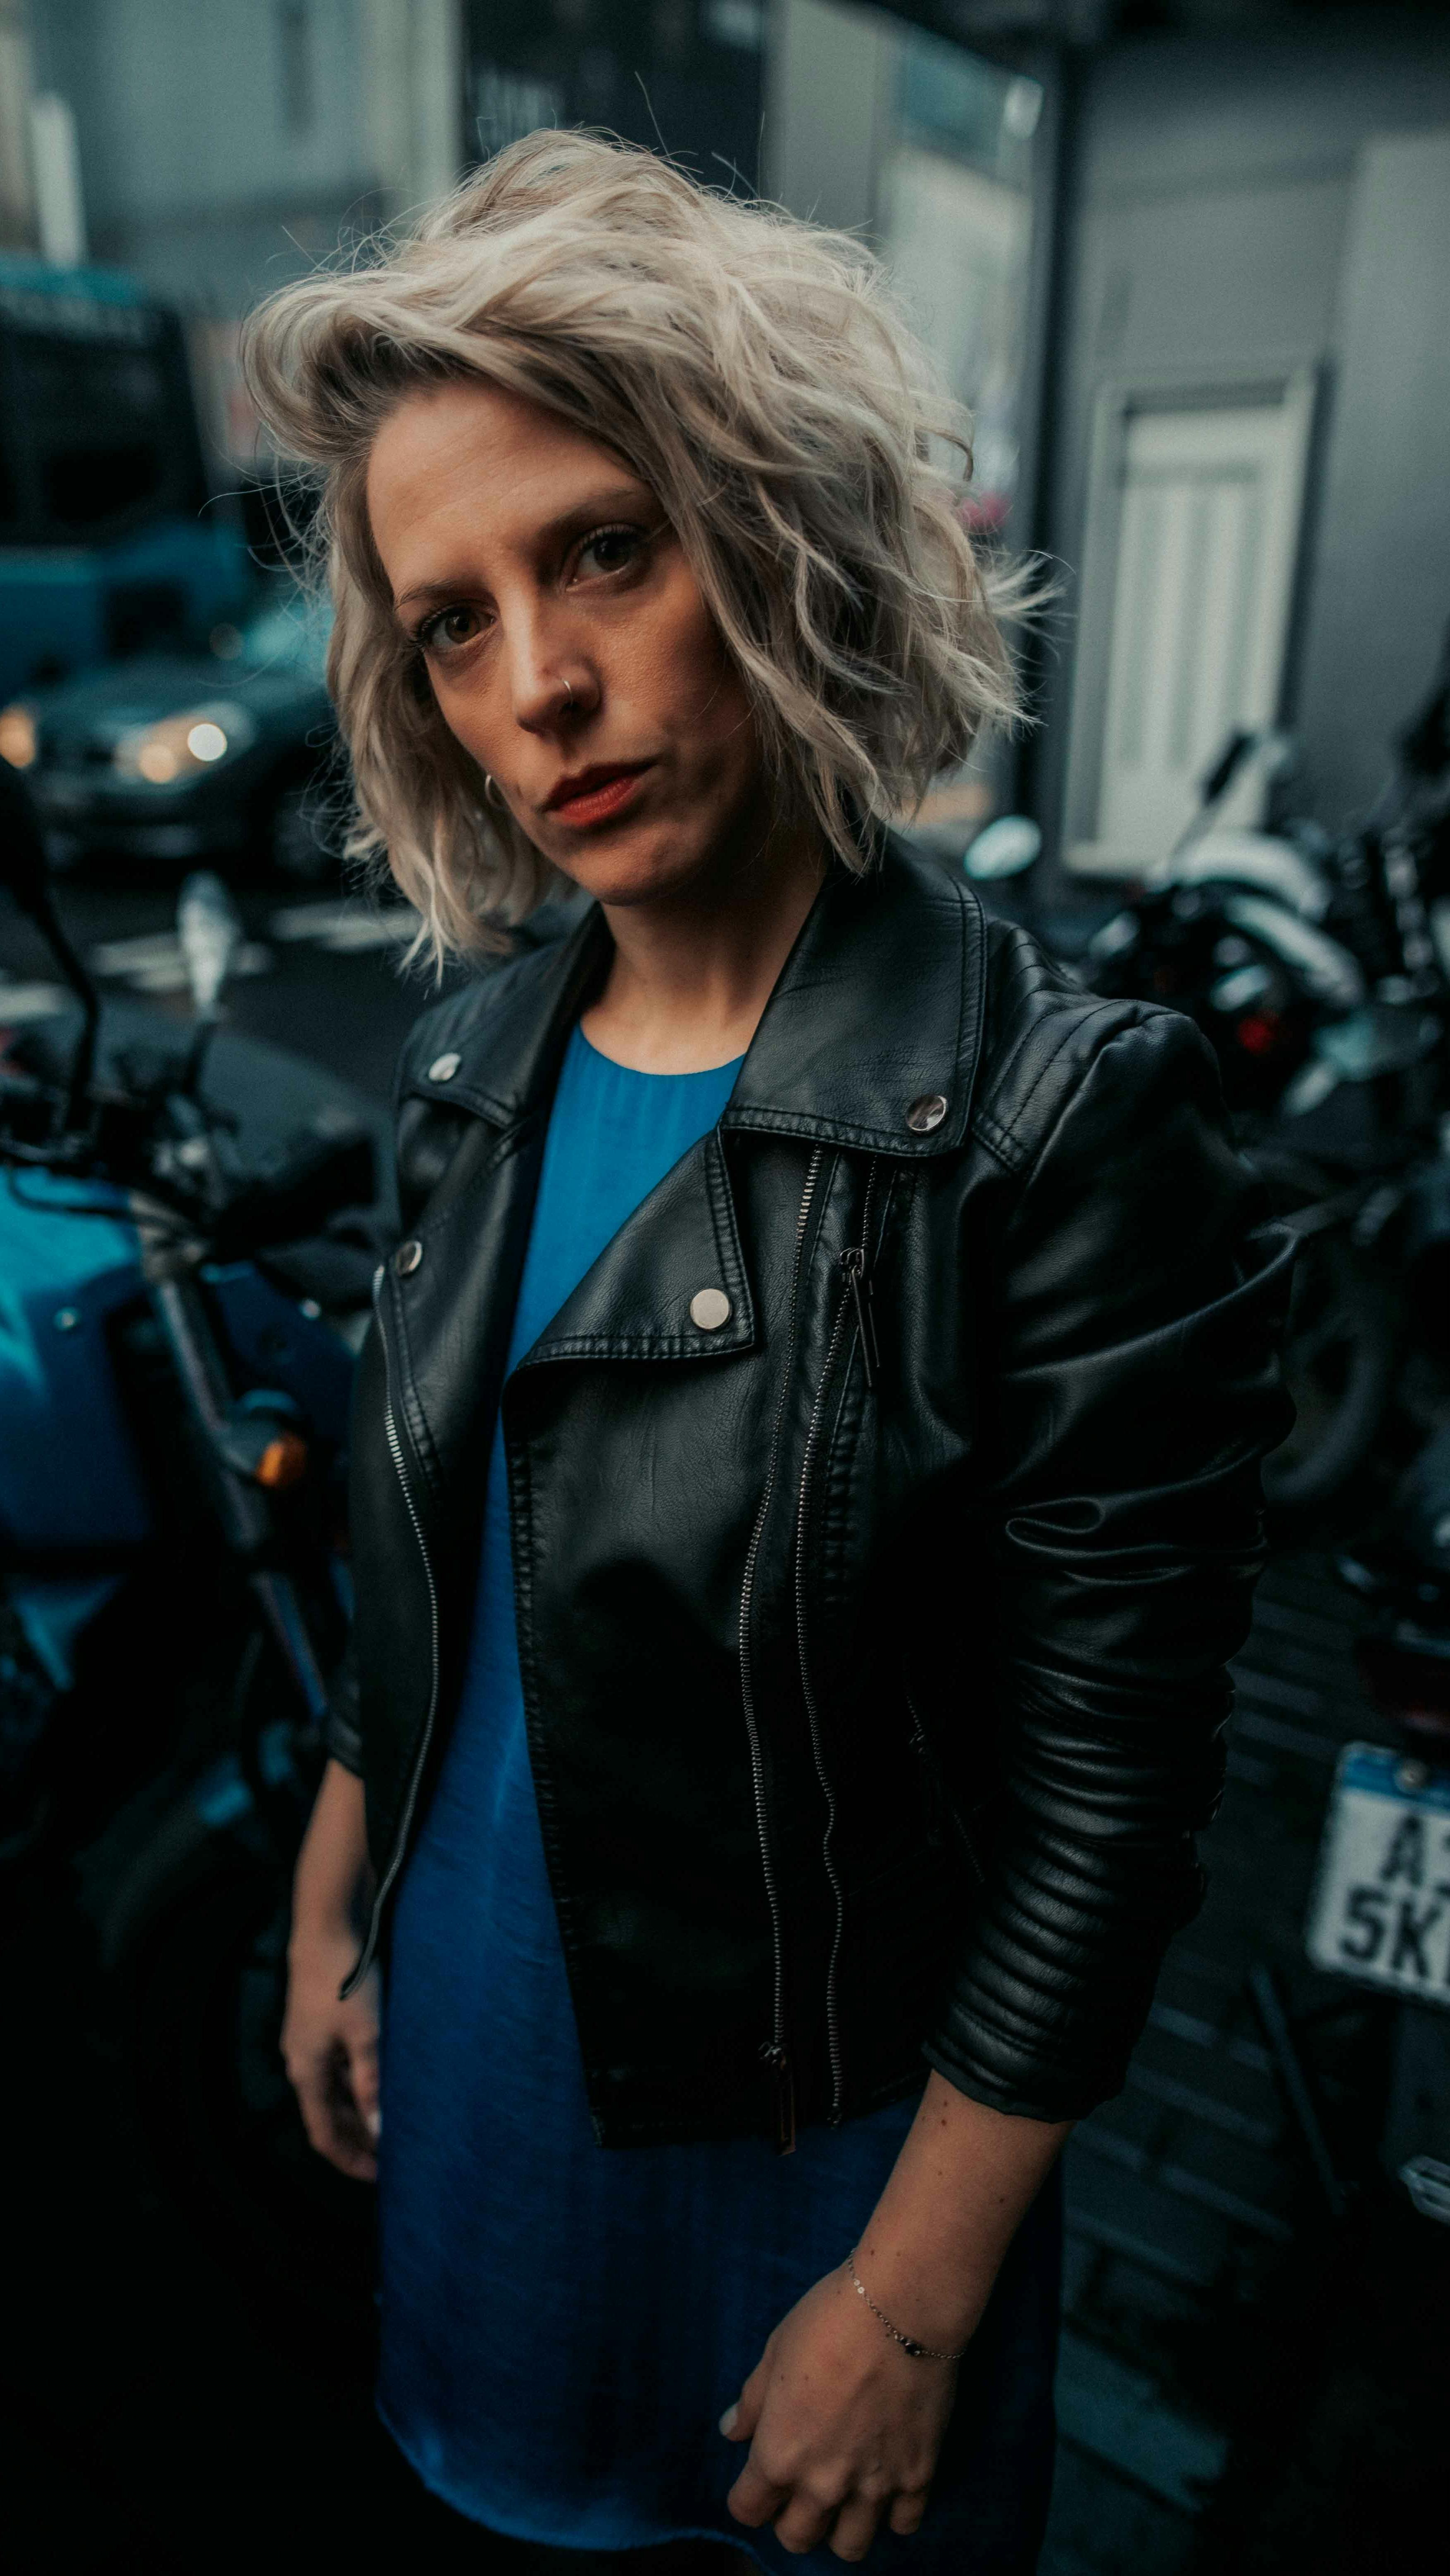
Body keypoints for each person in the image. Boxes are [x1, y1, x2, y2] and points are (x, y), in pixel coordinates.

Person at [248, 133, 1291, 2572]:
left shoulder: (1054, 1118)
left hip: (826, 2200)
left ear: (778, 533)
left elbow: (1106, 1811)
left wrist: (910, 2314)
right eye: (454, 619)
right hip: (482, 2106)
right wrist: (332, 1906)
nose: (542, 684)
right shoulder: (470, 1067)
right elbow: (429, 1550)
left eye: (603, 547)